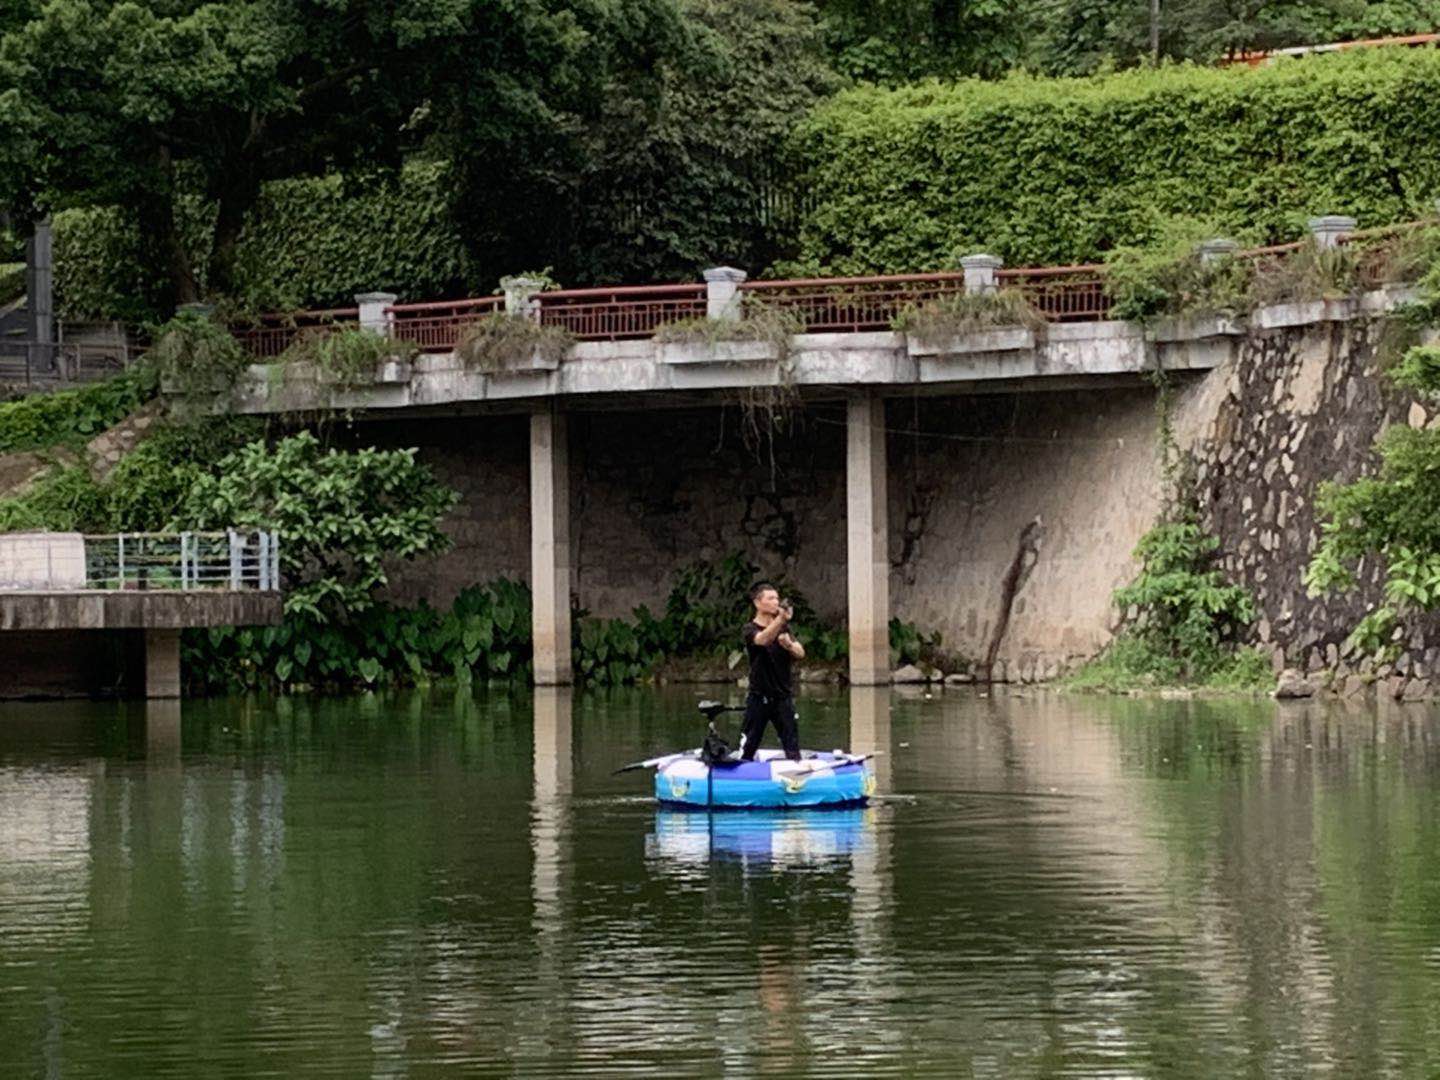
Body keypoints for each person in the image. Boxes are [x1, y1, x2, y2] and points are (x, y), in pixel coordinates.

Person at [740, 582, 805, 762]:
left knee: (792, 746)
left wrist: (789, 645)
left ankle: (796, 775)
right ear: (757, 603)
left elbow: (801, 653)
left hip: (783, 697)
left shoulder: (784, 629)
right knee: (748, 746)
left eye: (777, 598)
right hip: (759, 696)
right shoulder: (749, 629)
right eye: (771, 598)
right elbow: (762, 640)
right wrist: (780, 619)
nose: (776, 602)